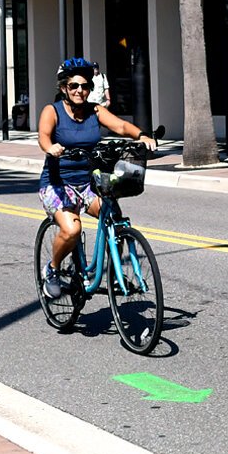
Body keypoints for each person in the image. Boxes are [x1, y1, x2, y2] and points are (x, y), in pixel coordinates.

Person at [39, 57, 159, 298]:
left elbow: (122, 126)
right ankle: (52, 269)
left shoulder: (95, 111)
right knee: (72, 230)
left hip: (89, 181)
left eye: (84, 86)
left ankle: (115, 273)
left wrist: (142, 135)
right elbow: (43, 135)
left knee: (114, 217)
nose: (79, 91)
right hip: (58, 183)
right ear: (64, 88)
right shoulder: (52, 111)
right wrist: (50, 147)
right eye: (74, 86)